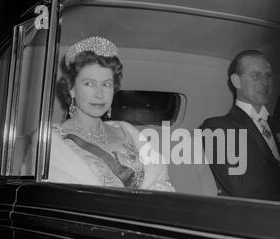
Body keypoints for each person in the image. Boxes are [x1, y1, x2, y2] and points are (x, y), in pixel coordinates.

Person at [21, 36, 174, 192]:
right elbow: (47, 198)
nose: (100, 94)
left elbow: (161, 181)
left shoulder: (126, 131)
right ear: (71, 88)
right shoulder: (52, 144)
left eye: (106, 84)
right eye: (89, 84)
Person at [201, 50, 280, 202]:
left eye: (268, 75)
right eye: (256, 76)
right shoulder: (218, 128)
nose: (265, 82)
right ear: (236, 81)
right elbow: (243, 188)